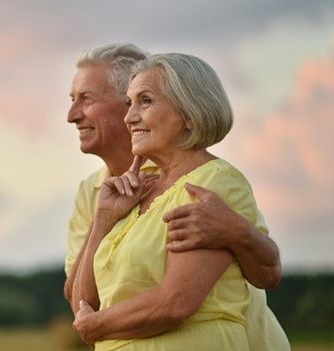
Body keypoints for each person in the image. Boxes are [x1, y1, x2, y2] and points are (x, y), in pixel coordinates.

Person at [64, 44, 289, 350]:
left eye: (144, 101)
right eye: (131, 102)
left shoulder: (211, 181)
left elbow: (176, 302)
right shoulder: (122, 193)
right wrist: (103, 218)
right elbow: (82, 301)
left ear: (190, 114)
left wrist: (96, 326)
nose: (71, 115)